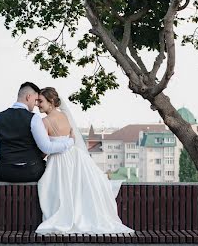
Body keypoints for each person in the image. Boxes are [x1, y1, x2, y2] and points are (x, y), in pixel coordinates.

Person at [35, 87, 134, 235]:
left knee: (54, 188)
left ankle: (66, 216)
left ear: (50, 102)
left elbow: (46, 148)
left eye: (40, 101)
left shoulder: (44, 121)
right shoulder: (65, 116)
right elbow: (71, 137)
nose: (37, 104)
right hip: (74, 156)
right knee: (74, 188)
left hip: (59, 160)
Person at [0, 82, 73, 183]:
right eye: (36, 100)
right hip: (31, 172)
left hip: (5, 173)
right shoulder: (34, 118)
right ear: (28, 97)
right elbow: (46, 147)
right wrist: (70, 142)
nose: (36, 104)